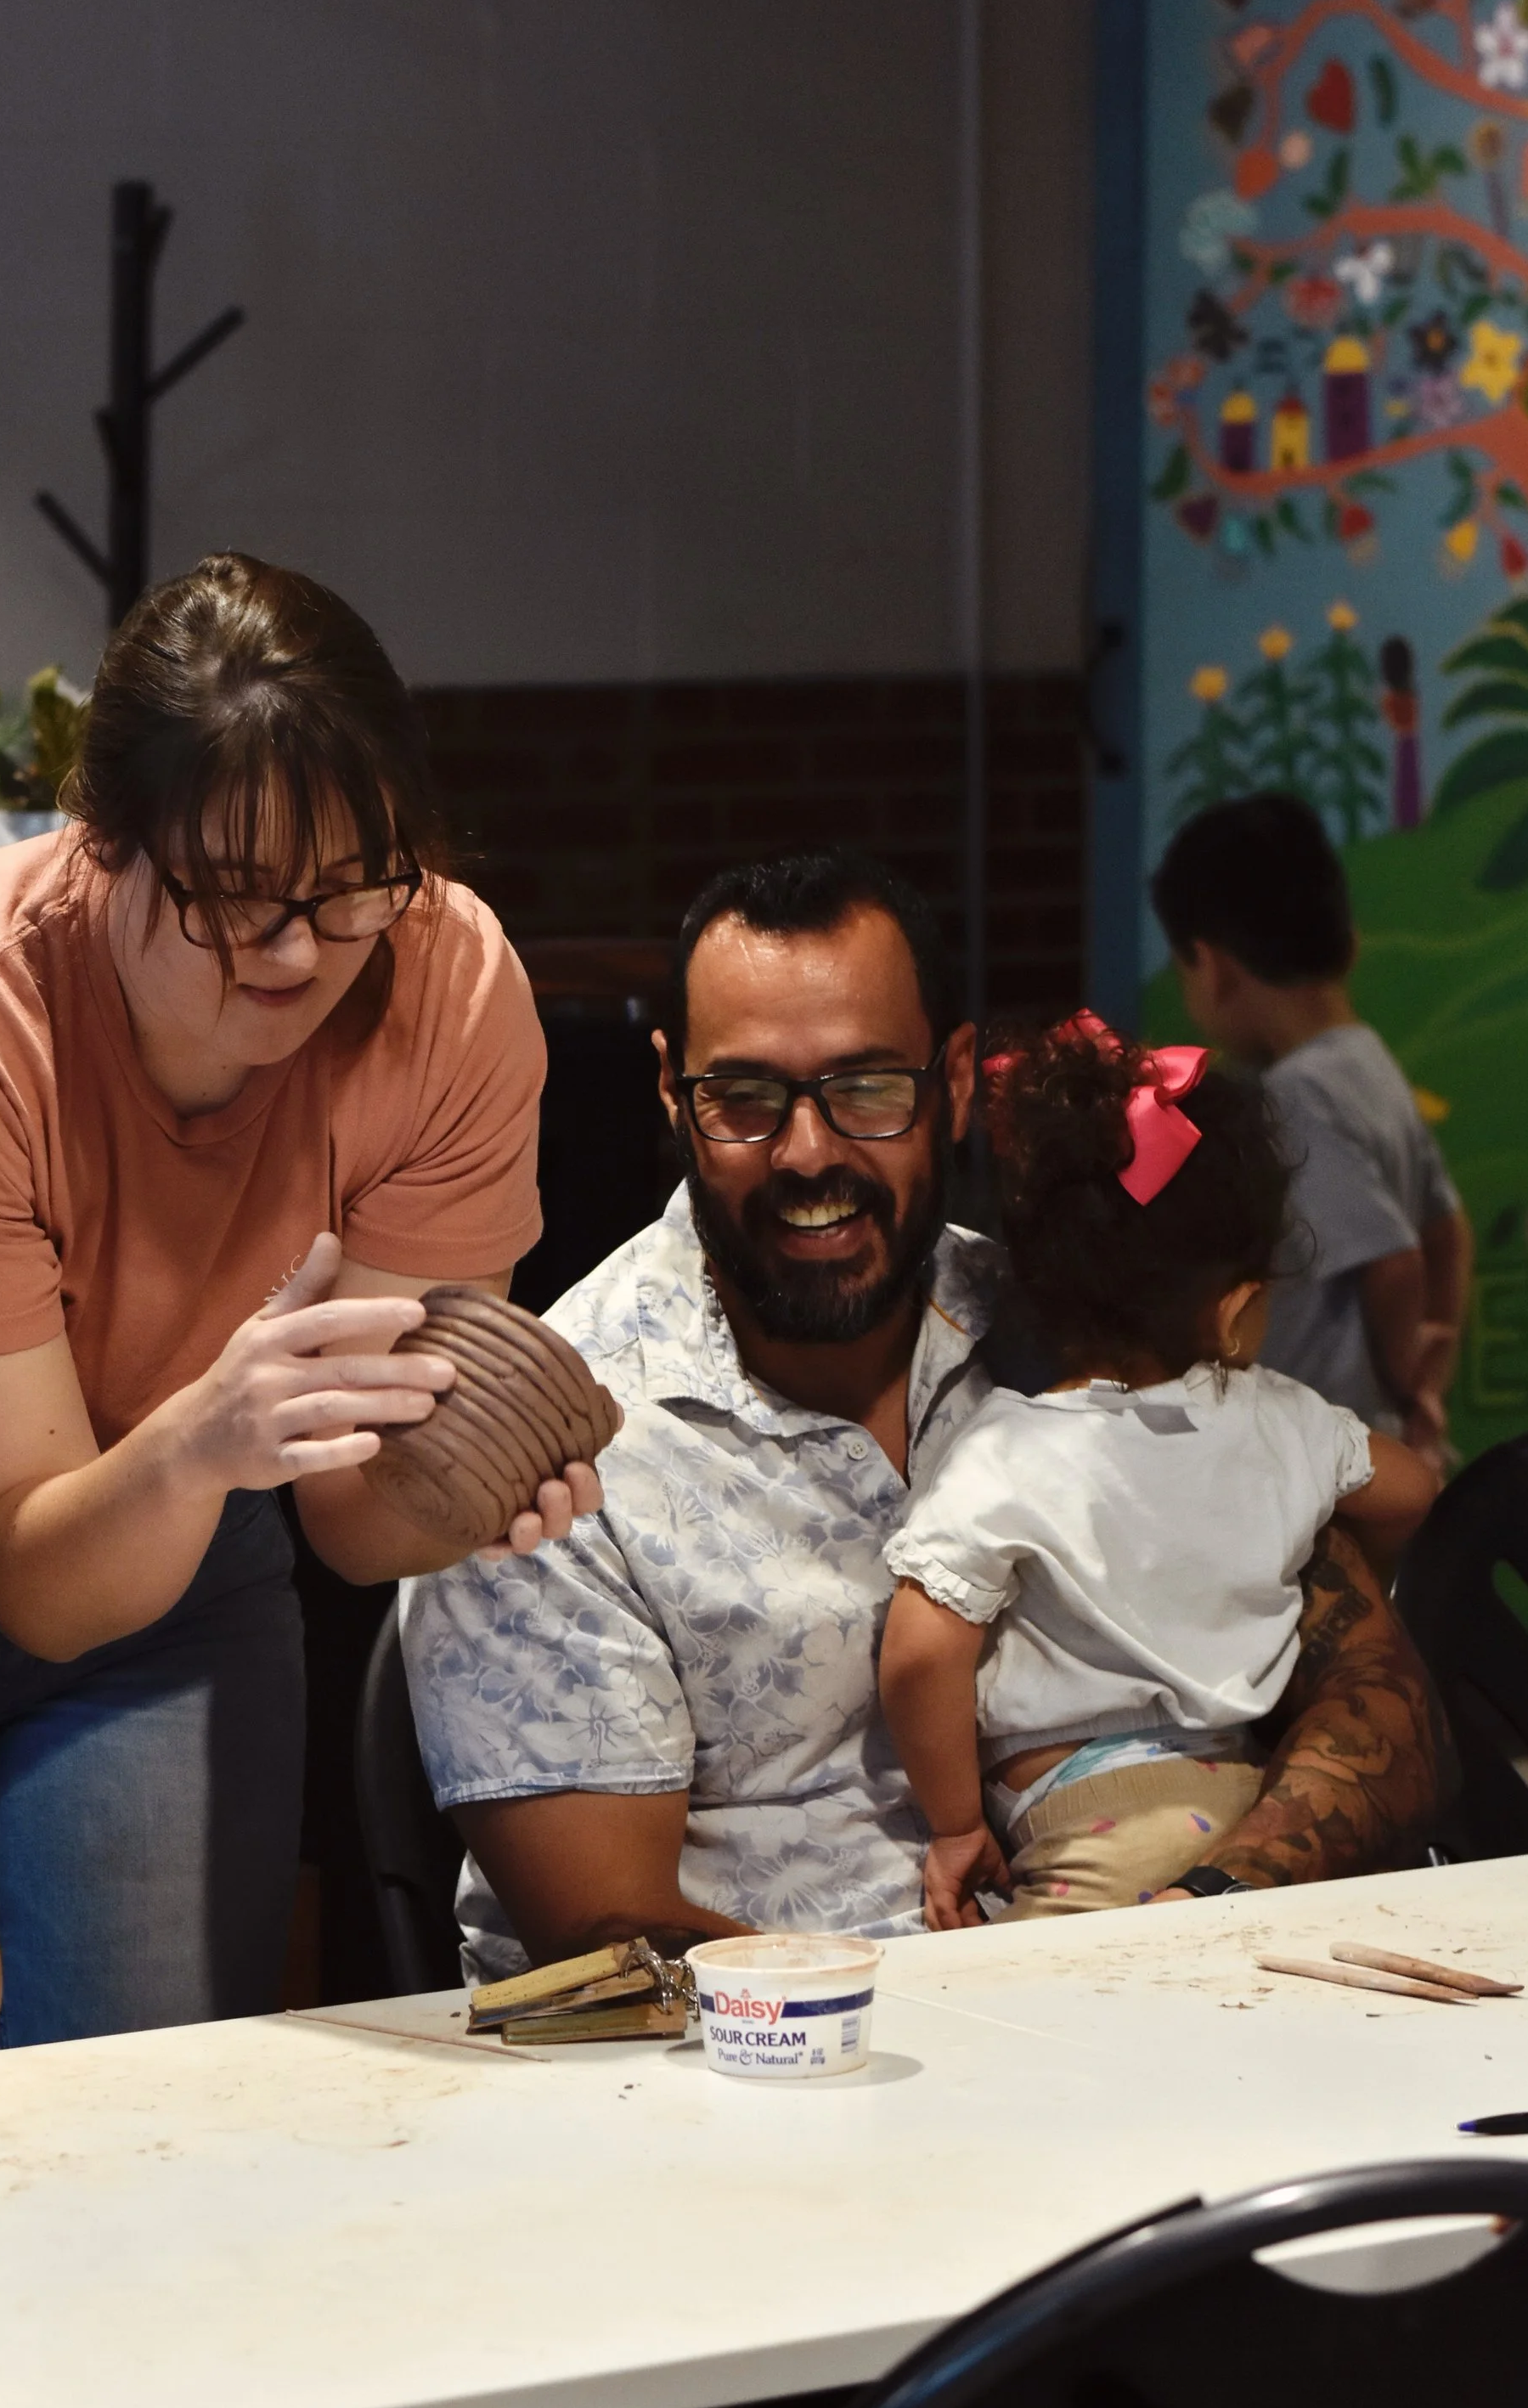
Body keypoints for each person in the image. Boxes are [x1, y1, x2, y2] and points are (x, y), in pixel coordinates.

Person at [0, 552, 595, 2050]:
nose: (298, 953)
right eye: (233, 900)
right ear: (104, 846)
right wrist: (211, 1442)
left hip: (173, 1552)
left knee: (143, 2092)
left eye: (351, 889)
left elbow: (354, 1519)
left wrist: (466, 1492)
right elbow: (24, 1549)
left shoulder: (449, 988)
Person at [401, 850, 1448, 1979]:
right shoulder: (552, 1439)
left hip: (1131, 2001)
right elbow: (608, 1936)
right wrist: (980, 2017)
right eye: (746, 1098)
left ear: (953, 1080)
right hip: (748, 2082)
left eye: (867, 1089)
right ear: (672, 1092)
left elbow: (1378, 1705)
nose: (808, 1152)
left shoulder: (1078, 1327)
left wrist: (1194, 1920)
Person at [878, 1013, 1438, 1929]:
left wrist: (950, 1826)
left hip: (1092, 1832)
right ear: (1234, 1310)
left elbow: (919, 1650)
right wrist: (1316, 1559)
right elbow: (1412, 1488)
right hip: (1250, 1808)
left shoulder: (1005, 1450)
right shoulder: (1275, 1419)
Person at [1150, 792, 1473, 1463]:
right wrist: (1430, 1367)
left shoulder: (1297, 1096)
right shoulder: (1367, 1060)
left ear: (1211, 968)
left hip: (1332, 1457)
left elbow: (1398, 1260)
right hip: (1366, 1444)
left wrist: (1407, 1379)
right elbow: (1448, 1232)